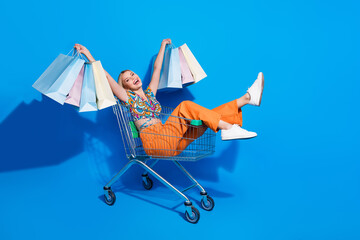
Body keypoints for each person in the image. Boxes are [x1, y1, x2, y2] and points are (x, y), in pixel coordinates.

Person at [74, 39, 264, 157]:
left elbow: (157, 70)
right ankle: (231, 125)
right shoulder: (127, 98)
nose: (133, 78)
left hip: (170, 138)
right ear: (124, 87)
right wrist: (89, 55)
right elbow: (106, 78)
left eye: (133, 74)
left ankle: (247, 99)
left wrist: (163, 47)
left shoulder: (149, 94)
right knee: (185, 106)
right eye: (127, 79)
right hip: (155, 140)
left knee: (204, 118)